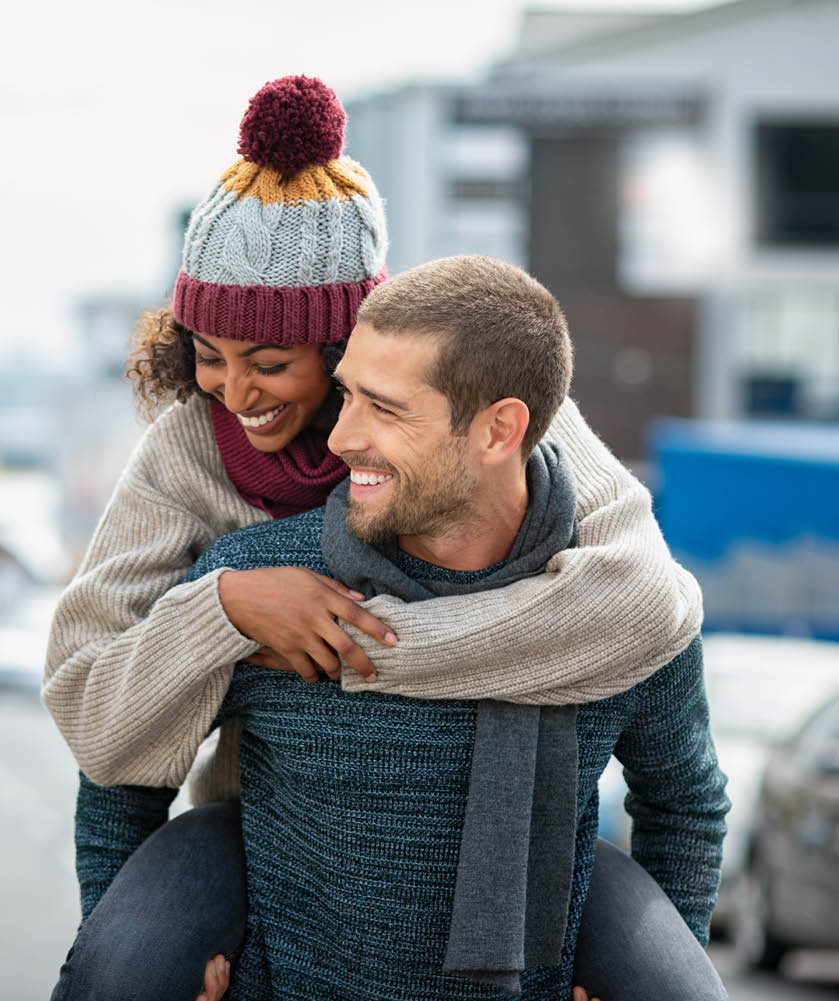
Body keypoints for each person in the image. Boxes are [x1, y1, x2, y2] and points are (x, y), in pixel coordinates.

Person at [43, 75, 706, 999]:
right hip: (261, 811)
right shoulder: (189, 447)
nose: (235, 393)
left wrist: (375, 648)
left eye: (270, 362)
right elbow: (100, 726)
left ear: (351, 340)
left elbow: (646, 602)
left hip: (524, 831)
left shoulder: (505, 419)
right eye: (208, 356)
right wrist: (226, 610)